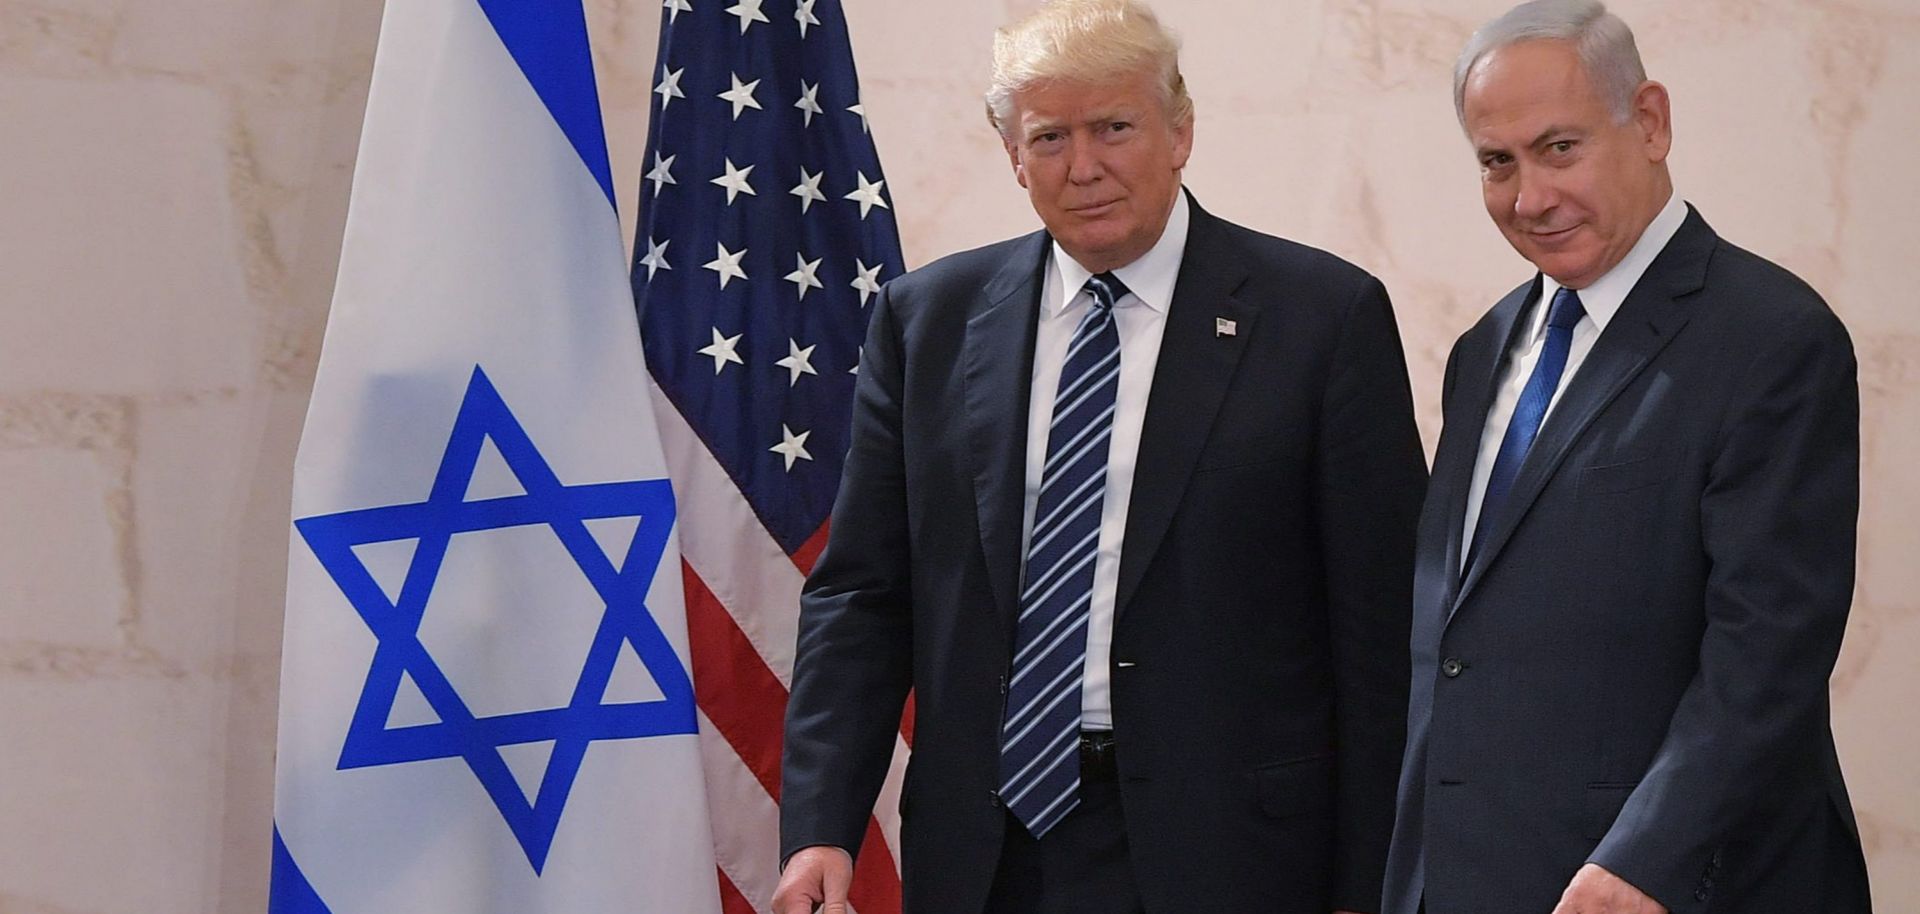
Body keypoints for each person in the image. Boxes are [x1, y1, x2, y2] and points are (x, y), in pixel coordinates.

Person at [772, 1, 1427, 912]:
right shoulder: (928, 322)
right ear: (1012, 156)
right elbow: (862, 597)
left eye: (1115, 127)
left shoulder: (1324, 319)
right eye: (1049, 138)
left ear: (1180, 131)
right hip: (987, 854)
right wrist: (820, 826)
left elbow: (1383, 628)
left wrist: (1372, 881)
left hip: (1238, 857)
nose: (1084, 167)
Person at [1381, 2, 1874, 913]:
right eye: (1498, 162)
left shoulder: (1772, 338)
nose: (1529, 197)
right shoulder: (1482, 352)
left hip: (1669, 886)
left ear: (1649, 121)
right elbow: (1457, 648)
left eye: (1558, 147)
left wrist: (1646, 859)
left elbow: (1767, 652)